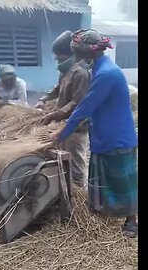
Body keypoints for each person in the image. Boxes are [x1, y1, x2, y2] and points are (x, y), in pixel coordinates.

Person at [40, 29, 138, 237]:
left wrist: (61, 133)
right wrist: (56, 118)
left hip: (117, 137)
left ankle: (132, 221)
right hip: (104, 134)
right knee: (104, 179)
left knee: (123, 182)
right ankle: (104, 212)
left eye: (76, 53)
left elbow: (84, 107)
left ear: (88, 54)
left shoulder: (106, 74)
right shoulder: (100, 69)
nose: (75, 57)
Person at [34, 30, 90, 187]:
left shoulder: (81, 73)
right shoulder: (65, 71)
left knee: (76, 165)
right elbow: (57, 89)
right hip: (63, 126)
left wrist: (55, 114)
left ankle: (80, 197)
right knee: (64, 161)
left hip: (76, 127)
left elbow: (77, 103)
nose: (56, 58)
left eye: (58, 54)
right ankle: (67, 193)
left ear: (69, 53)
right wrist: (43, 99)